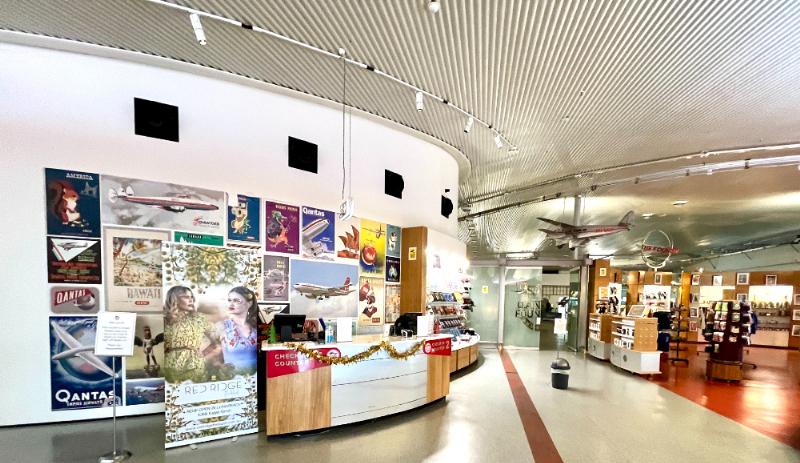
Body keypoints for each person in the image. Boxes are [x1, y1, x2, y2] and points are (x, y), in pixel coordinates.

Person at [163, 286, 221, 383]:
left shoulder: (198, 318)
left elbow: (217, 342)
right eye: (186, 297)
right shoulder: (165, 319)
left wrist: (203, 357)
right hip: (170, 367)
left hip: (195, 366)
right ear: (174, 299)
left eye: (191, 297)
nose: (191, 300)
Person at [218, 286, 258, 373]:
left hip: (257, 377)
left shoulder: (256, 326)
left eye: (237, 300)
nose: (231, 304)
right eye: (229, 300)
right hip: (233, 378)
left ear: (249, 304)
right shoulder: (222, 326)